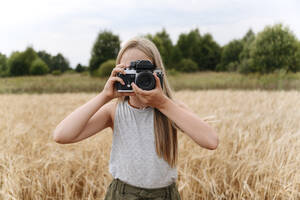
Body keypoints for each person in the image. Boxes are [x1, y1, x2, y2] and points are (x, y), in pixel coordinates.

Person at [52, 37, 219, 200]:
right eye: (129, 71)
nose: (138, 78)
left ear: (157, 73)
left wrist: (162, 103)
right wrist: (105, 96)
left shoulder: (171, 108)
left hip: (165, 195)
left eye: (143, 72)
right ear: (119, 72)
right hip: (123, 194)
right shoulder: (114, 110)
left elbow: (211, 141)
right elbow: (61, 135)